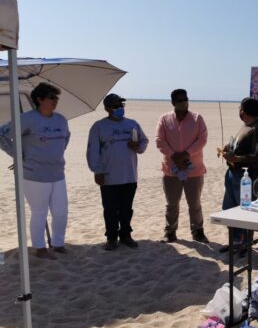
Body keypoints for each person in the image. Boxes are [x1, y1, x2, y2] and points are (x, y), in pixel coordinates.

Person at [0, 82, 70, 259]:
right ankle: (40, 248)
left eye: (56, 98)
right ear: (39, 99)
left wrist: (55, 154)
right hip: (34, 175)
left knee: (61, 211)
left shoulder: (61, 119)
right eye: (51, 97)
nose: (55, 101)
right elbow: (2, 134)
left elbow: (65, 138)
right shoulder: (26, 119)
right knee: (39, 212)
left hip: (57, 173)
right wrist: (17, 155)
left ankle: (58, 243)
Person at [87, 94, 148, 250]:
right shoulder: (99, 126)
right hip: (109, 177)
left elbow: (143, 141)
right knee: (110, 210)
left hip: (129, 175)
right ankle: (111, 238)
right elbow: (93, 151)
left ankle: (126, 235)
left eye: (121, 105)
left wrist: (137, 147)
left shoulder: (132, 124)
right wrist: (97, 171)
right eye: (116, 106)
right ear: (107, 108)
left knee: (126, 209)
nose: (120, 108)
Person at [156, 89, 209, 243]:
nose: (184, 102)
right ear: (173, 103)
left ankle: (198, 231)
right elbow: (159, 140)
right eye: (180, 100)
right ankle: (170, 232)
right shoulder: (165, 119)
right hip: (171, 170)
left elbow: (202, 139)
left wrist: (186, 154)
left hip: (194, 170)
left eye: (186, 99)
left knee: (195, 203)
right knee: (172, 203)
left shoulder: (197, 118)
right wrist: (174, 155)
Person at [218, 97, 258, 255]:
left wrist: (236, 158)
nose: (239, 111)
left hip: (245, 177)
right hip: (232, 174)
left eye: (240, 108)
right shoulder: (245, 126)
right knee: (229, 209)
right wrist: (228, 148)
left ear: (243, 110)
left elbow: (257, 156)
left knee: (245, 211)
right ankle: (235, 241)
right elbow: (240, 147)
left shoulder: (257, 129)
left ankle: (245, 244)